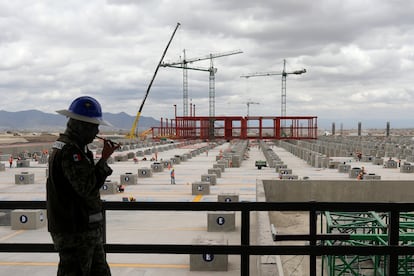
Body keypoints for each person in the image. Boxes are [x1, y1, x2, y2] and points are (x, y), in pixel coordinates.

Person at [46, 96, 119, 276]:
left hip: (85, 230)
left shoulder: (76, 148)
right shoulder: (70, 151)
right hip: (75, 232)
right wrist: (103, 160)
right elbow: (85, 188)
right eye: (94, 127)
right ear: (82, 126)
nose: (97, 132)